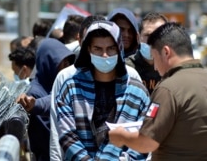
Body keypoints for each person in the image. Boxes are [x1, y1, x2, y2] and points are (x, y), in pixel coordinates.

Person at [109, 22, 207, 161]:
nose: (156, 67)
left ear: (166, 52)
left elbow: (147, 143)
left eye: (155, 57)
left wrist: (121, 136)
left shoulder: (167, 89)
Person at [53, 20, 151, 160]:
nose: (105, 55)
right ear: (88, 50)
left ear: (119, 49)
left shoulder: (137, 92)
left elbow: (144, 137)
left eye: (111, 48)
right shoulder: (71, 88)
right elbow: (68, 137)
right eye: (98, 49)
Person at [16, 38, 76, 161]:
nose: (67, 68)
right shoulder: (35, 93)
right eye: (63, 63)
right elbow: (48, 133)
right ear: (48, 63)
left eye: (68, 63)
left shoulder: (57, 86)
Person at [125, 12, 168, 94]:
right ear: (138, 38)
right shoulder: (127, 68)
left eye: (159, 35)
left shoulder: (171, 68)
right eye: (148, 35)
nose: (153, 40)